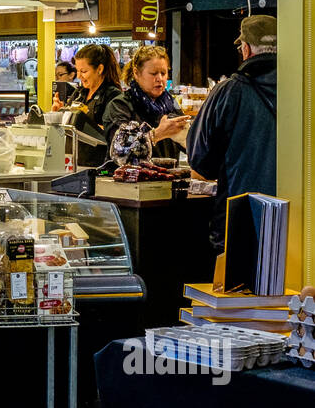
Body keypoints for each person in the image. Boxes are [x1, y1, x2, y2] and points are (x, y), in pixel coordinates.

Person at [187, 14, 277, 254]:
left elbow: (201, 162)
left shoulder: (229, 91)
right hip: (300, 221)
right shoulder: (304, 88)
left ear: (245, 49)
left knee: (240, 290)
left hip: (242, 220)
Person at [104, 45, 188, 160]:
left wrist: (189, 141)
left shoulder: (171, 104)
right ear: (136, 73)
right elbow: (120, 151)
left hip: (166, 175)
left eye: (163, 73)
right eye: (153, 73)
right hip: (130, 176)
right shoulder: (120, 105)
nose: (160, 79)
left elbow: (192, 148)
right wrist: (155, 135)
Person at [54, 42, 124, 168]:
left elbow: (116, 135)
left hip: (97, 165)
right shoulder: (80, 92)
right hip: (73, 162)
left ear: (100, 69)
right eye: (77, 71)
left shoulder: (113, 96)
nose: (79, 76)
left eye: (84, 71)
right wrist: (60, 114)